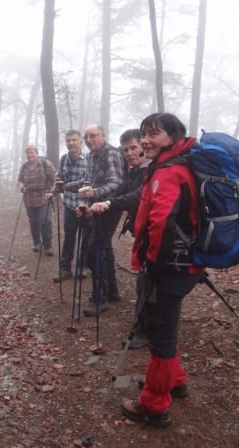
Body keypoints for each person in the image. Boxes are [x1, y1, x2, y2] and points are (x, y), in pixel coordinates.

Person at [120, 113, 203, 427]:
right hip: (184, 265)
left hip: (169, 267)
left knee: (160, 335)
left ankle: (154, 406)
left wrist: (151, 264)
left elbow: (160, 221)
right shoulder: (177, 165)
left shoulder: (168, 172)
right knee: (166, 326)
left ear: (172, 136)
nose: (145, 140)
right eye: (144, 134)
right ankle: (175, 381)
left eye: (153, 133)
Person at [87, 128, 151, 348]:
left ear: (143, 145)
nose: (130, 153)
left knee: (148, 282)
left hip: (162, 235)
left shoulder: (151, 169)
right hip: (145, 233)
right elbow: (122, 191)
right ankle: (146, 326)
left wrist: (108, 203)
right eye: (126, 150)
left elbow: (139, 195)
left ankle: (144, 331)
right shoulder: (134, 170)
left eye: (134, 147)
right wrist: (95, 206)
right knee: (146, 279)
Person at [71, 124, 124, 314]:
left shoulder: (110, 154)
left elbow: (116, 181)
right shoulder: (91, 156)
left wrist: (96, 192)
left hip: (109, 207)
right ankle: (112, 292)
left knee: (95, 252)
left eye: (92, 136)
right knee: (105, 249)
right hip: (94, 207)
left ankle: (100, 298)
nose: (88, 139)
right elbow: (88, 181)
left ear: (103, 135)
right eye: (86, 136)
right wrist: (67, 186)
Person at [53, 130, 89, 283]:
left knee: (85, 238)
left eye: (74, 140)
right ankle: (65, 269)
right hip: (69, 205)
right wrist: (58, 183)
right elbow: (59, 176)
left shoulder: (89, 159)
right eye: (68, 140)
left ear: (80, 141)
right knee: (69, 237)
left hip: (85, 205)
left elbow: (87, 181)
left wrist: (66, 186)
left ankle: (82, 267)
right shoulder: (63, 159)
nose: (71, 143)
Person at [17, 145, 57, 255]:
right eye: (28, 153)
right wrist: (21, 187)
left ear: (37, 153)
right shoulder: (24, 167)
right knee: (33, 222)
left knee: (45, 221)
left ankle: (48, 246)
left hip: (44, 197)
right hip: (29, 198)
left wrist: (52, 192)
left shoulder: (46, 164)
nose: (30, 155)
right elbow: (20, 180)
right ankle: (36, 243)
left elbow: (56, 180)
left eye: (32, 152)